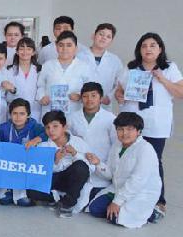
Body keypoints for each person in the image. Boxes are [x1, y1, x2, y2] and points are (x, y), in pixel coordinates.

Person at [115, 32, 183, 219]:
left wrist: (162, 79)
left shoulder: (169, 68)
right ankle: (128, 195)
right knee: (128, 158)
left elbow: (180, 92)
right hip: (131, 123)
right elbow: (119, 90)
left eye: (153, 45)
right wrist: (119, 95)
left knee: (153, 160)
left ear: (160, 49)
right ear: (139, 50)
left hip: (156, 123)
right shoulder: (131, 68)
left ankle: (159, 201)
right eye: (144, 46)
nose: (148, 49)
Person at [86, 112, 163, 228]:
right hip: (119, 188)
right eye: (120, 129)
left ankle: (152, 213)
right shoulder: (117, 145)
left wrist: (117, 202)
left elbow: (137, 181)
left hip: (140, 192)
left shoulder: (146, 149)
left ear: (139, 131)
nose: (124, 133)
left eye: (129, 129)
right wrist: (98, 163)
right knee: (94, 209)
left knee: (116, 218)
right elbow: (111, 174)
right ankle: (118, 207)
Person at [28, 111, 93, 218]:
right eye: (47, 127)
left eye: (55, 126)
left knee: (80, 166)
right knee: (31, 189)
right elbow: (40, 172)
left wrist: (75, 154)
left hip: (73, 181)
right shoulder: (43, 146)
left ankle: (68, 204)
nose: (51, 131)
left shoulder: (78, 142)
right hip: (55, 179)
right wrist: (56, 161)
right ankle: (55, 198)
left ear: (64, 127)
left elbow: (90, 168)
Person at [68, 82, 118, 212]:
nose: (89, 99)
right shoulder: (73, 117)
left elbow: (116, 145)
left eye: (93, 95)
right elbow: (68, 140)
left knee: (94, 201)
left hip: (101, 169)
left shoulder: (110, 119)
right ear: (81, 98)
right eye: (85, 96)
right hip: (79, 165)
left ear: (100, 98)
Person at [0, 98, 47, 206]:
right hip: (8, 169)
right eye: (15, 113)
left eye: (22, 114)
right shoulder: (3, 128)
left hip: (27, 169)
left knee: (25, 202)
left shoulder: (35, 126)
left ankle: (25, 191)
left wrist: (36, 139)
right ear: (10, 114)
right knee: (4, 200)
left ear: (28, 115)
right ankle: (8, 189)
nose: (18, 117)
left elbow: (47, 133)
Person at [36, 31, 93, 118]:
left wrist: (80, 95)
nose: (64, 48)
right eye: (61, 45)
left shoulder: (84, 67)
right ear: (56, 47)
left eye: (69, 45)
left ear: (76, 48)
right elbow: (41, 85)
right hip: (50, 112)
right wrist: (42, 97)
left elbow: (89, 89)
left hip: (74, 111)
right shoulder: (48, 65)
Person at [76, 23, 123, 111]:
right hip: (81, 104)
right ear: (93, 36)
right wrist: (79, 94)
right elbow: (73, 79)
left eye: (108, 37)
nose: (104, 38)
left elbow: (119, 82)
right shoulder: (79, 57)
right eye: (101, 34)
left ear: (111, 41)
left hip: (104, 105)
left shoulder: (115, 60)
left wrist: (109, 97)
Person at [7, 37, 41, 119]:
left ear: (33, 52)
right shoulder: (9, 70)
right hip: (15, 112)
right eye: (22, 49)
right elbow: (6, 95)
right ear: (17, 52)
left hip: (35, 111)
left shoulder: (40, 70)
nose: (25, 52)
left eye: (29, 49)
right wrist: (12, 90)